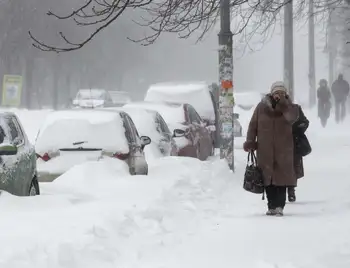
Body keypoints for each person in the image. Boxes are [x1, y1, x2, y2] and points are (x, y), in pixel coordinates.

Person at [243, 81, 300, 216]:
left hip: (284, 149)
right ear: (271, 93)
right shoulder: (261, 107)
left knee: (282, 179)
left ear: (285, 94)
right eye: (276, 92)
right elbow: (253, 125)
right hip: (265, 149)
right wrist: (250, 141)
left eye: (281, 93)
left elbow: (292, 118)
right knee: (267, 179)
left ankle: (280, 206)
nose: (278, 95)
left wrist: (283, 105)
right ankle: (271, 206)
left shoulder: (290, 107)